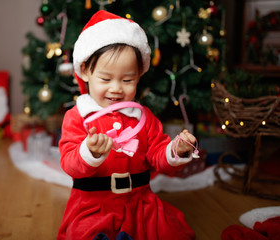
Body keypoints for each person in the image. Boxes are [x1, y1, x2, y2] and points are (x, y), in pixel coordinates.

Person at [58, 10, 196, 240]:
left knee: (172, 233)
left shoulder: (145, 118)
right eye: (105, 79)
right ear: (85, 72)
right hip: (93, 205)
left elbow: (158, 156)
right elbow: (69, 163)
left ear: (139, 76)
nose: (116, 88)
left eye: (127, 80)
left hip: (140, 203)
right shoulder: (77, 117)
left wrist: (176, 151)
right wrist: (88, 152)